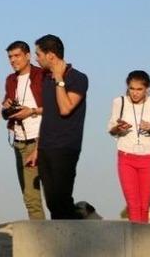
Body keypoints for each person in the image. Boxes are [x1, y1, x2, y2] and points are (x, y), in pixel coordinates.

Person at [27, 34, 88, 220]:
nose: (36, 58)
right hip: (46, 146)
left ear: (51, 55)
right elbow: (49, 116)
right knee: (52, 201)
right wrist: (37, 148)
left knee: (62, 198)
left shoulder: (77, 78)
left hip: (65, 146)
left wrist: (59, 78)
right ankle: (59, 234)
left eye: (38, 54)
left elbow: (65, 108)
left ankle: (79, 226)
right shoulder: (46, 79)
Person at [107, 70, 150, 224]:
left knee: (144, 205)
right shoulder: (119, 102)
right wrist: (118, 128)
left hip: (148, 157)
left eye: (139, 89)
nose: (135, 93)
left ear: (147, 88)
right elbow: (111, 130)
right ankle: (135, 235)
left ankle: (142, 235)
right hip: (126, 157)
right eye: (131, 88)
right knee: (133, 204)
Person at [1, 41, 46, 220]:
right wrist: (7, 105)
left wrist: (32, 111)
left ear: (28, 56)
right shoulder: (11, 80)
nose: (13, 60)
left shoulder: (42, 75)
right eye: (10, 57)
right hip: (20, 141)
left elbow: (54, 107)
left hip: (40, 138)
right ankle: (40, 233)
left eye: (17, 56)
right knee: (30, 197)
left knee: (50, 195)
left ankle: (52, 233)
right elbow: (7, 109)